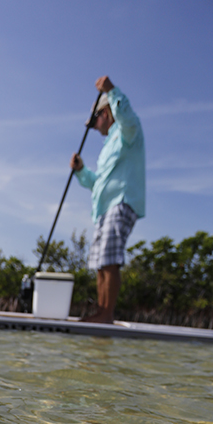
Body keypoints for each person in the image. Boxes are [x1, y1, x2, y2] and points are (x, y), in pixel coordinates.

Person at [70, 76, 145, 323]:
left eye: (95, 120)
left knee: (110, 259)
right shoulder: (107, 146)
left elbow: (127, 117)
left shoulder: (127, 131)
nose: (94, 127)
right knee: (100, 263)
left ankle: (107, 314)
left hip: (122, 203)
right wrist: (81, 171)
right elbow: (97, 183)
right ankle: (102, 311)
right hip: (104, 209)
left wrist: (112, 92)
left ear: (107, 113)